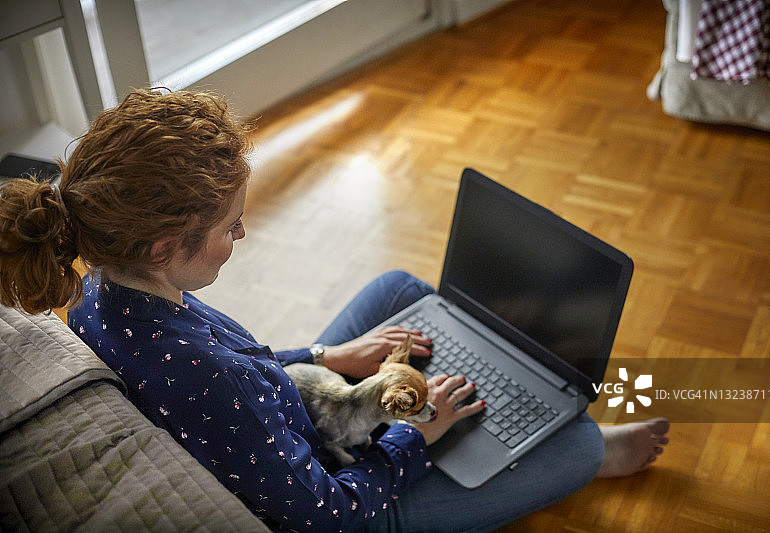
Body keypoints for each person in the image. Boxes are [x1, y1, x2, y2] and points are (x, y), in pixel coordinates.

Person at [0, 88, 669, 532]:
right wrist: (417, 437)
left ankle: (498, 419)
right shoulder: (208, 375)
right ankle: (575, 451)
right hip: (351, 497)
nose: (242, 234)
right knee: (581, 445)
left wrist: (325, 357)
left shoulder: (98, 288)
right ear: (165, 244)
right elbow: (327, 515)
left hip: (282, 412)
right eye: (232, 224)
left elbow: (244, 368)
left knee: (399, 291)